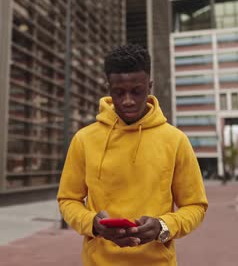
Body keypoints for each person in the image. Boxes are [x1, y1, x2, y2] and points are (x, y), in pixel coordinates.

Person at [57, 45, 208, 265]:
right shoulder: (84, 140)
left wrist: (163, 227)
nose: (128, 100)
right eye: (119, 92)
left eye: (136, 91)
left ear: (150, 87)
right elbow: (68, 199)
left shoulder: (175, 140)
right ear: (108, 89)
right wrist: (92, 224)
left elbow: (196, 205)